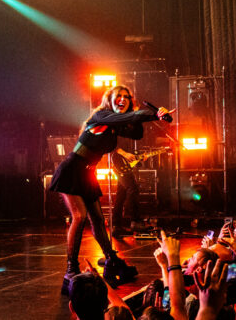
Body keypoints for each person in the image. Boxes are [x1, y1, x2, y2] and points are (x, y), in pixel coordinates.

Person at [49, 85, 170, 295]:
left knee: (97, 218)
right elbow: (131, 118)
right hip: (72, 169)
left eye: (126, 97)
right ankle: (71, 269)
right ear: (109, 100)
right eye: (118, 97)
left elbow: (138, 134)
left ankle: (111, 259)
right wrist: (154, 114)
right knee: (80, 217)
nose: (122, 99)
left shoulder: (116, 125)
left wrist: (149, 115)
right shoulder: (103, 116)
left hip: (88, 173)